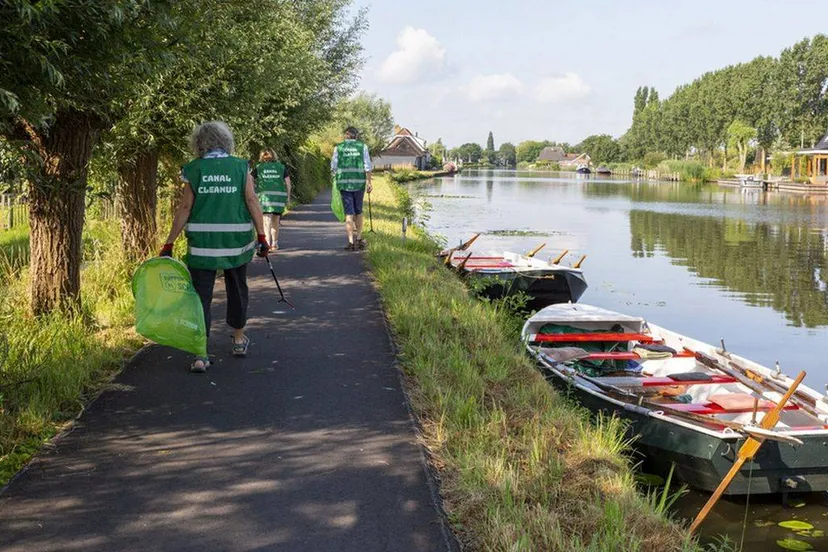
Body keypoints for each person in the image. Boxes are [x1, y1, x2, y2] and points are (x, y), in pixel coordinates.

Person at [159, 121, 269, 373]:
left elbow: (185, 208)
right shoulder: (241, 167)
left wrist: (169, 242)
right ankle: (239, 340)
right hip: (236, 245)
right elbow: (252, 201)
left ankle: (200, 354)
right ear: (226, 141)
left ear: (199, 143)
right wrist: (262, 236)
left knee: (201, 297)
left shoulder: (194, 169)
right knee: (238, 289)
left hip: (202, 247)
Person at [331, 126, 372, 250]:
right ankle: (359, 238)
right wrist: (369, 182)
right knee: (358, 212)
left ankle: (350, 242)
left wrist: (335, 179)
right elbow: (367, 166)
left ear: (346, 135)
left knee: (349, 214)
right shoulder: (362, 147)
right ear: (356, 135)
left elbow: (333, 167)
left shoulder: (338, 148)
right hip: (359, 184)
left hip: (344, 184)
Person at [253, 149, 291, 251]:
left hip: (265, 199)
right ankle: (274, 243)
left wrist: (255, 189)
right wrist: (288, 196)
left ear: (262, 156)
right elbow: (287, 182)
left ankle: (267, 245)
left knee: (266, 221)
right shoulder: (281, 167)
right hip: (278, 199)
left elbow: (250, 180)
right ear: (274, 155)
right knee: (275, 221)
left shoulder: (259, 168)